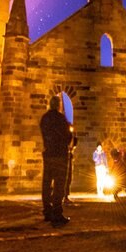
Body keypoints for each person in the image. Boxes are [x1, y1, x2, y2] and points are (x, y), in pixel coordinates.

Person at [40, 95, 72, 225]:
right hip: (60, 154)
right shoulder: (61, 119)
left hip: (48, 154)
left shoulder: (44, 118)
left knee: (47, 183)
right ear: (58, 105)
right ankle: (57, 213)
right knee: (59, 184)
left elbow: (44, 134)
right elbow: (67, 136)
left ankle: (47, 211)